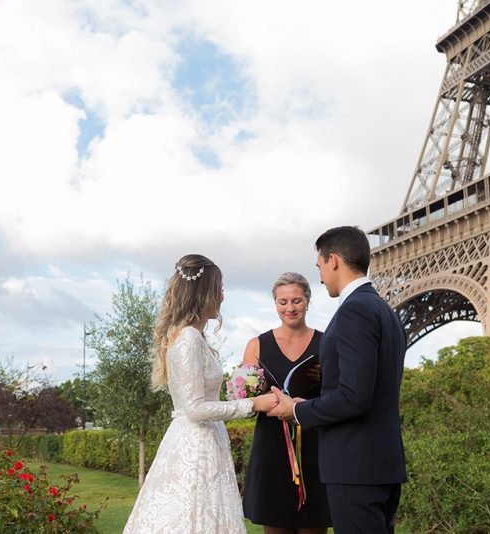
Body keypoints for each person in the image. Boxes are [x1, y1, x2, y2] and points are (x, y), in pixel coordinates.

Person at [123, 254, 279, 534]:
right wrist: (254, 403)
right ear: (204, 292)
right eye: (218, 288)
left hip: (202, 440)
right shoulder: (189, 339)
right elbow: (196, 409)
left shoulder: (189, 336)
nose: (222, 295)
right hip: (196, 446)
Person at [269, 226, 407, 533]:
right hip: (382, 464)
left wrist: (295, 411)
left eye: (319, 266)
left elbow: (354, 397)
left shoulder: (353, 311)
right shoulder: (385, 311)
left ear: (333, 260)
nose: (319, 276)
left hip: (355, 467)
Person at [242, 272, 331, 534]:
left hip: (315, 449)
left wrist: (326, 378)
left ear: (308, 300)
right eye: (283, 302)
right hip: (272, 450)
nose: (289, 308)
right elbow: (247, 401)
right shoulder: (256, 345)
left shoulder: (327, 342)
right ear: (275, 304)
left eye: (296, 301)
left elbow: (343, 394)